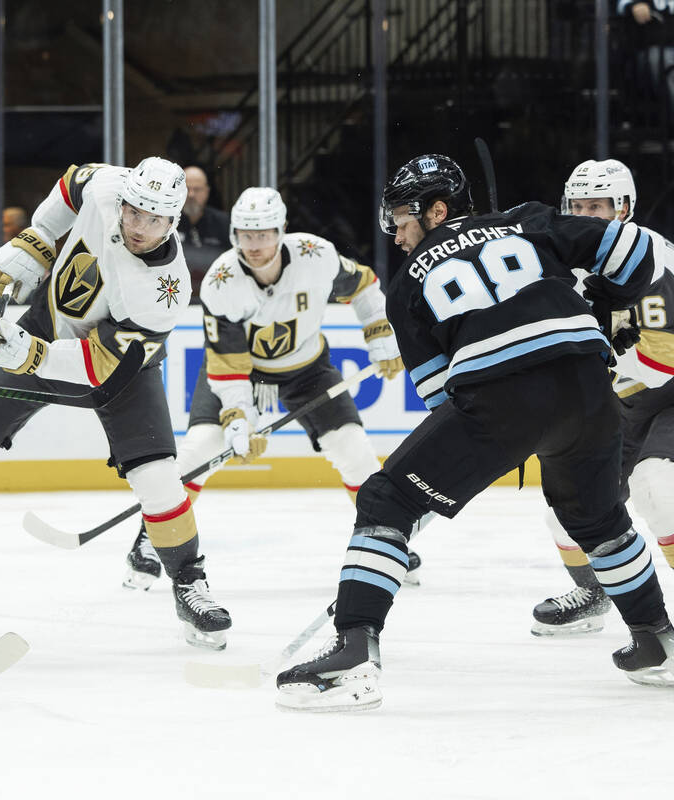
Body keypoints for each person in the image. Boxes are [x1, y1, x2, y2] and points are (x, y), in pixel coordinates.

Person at [275, 153, 672, 712]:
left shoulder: (406, 283)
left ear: (438, 210)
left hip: (501, 400)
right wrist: (603, 304)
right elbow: (641, 251)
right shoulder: (527, 220)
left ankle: (354, 651)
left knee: (387, 500)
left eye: (405, 216)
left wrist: (481, 453)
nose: (397, 231)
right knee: (600, 518)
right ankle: (658, 638)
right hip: (589, 389)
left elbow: (443, 399)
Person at [0, 157, 234, 650]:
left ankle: (187, 582)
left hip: (120, 373)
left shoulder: (164, 291)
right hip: (45, 327)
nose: (138, 226)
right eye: (134, 211)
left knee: (156, 476)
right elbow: (73, 184)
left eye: (154, 219)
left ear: (174, 220)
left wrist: (29, 354)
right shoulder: (107, 188)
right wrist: (37, 240)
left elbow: (99, 364)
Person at [121, 186, 422, 591]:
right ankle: (150, 540)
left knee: (354, 451)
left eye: (263, 234)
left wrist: (380, 334)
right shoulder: (221, 282)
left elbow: (364, 284)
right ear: (234, 235)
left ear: (281, 231)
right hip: (240, 374)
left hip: (308, 371)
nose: (255, 244)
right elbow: (228, 367)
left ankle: (385, 537)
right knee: (198, 452)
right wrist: (240, 419)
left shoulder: (315, 254)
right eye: (246, 234)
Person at [530, 158, 674, 635]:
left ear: (625, 209)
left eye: (600, 206)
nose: (588, 216)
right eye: (580, 206)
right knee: (567, 500)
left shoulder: (652, 257)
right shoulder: (560, 258)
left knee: (659, 488)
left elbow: (664, 359)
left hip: (668, 390)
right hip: (621, 396)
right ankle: (594, 591)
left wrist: (597, 363)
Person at [176, 166, 231, 291]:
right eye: (187, 189)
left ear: (207, 191)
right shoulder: (166, 221)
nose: (191, 194)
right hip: (173, 294)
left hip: (217, 291)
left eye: (197, 189)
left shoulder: (223, 222)